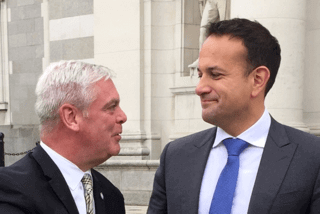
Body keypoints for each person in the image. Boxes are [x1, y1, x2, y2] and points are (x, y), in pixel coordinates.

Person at [148, 18, 320, 214]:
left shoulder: (312, 158)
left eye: (215, 74)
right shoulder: (176, 156)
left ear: (257, 80)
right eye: (200, 74)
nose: (199, 88)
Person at [0, 61, 127, 214]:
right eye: (111, 107)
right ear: (71, 117)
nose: (123, 117)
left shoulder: (110, 196)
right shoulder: (10, 190)